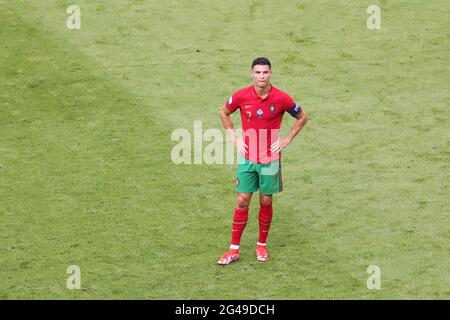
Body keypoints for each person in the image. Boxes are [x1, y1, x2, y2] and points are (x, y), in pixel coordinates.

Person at [217, 57, 308, 265]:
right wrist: (234, 137)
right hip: (248, 157)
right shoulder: (242, 96)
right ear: (252, 74)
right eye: (258, 72)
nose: (261, 76)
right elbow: (223, 112)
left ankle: (261, 245)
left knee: (266, 200)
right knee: (242, 199)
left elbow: (302, 117)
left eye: (265, 72)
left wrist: (285, 140)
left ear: (271, 74)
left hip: (270, 159)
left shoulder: (282, 98)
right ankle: (233, 249)